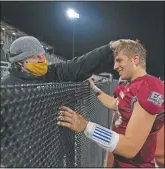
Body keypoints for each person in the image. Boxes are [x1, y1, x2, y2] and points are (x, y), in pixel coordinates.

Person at [57, 39, 164, 167]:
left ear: (135, 59)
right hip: (120, 162)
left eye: (119, 60)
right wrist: (94, 88)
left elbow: (130, 148)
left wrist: (86, 126)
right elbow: (116, 104)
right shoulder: (130, 84)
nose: (115, 67)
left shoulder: (149, 86)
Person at [1, 36, 121, 85]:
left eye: (43, 55)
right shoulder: (7, 88)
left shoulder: (50, 73)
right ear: (21, 62)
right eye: (37, 57)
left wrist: (108, 48)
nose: (43, 60)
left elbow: (79, 65)